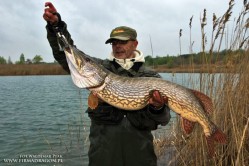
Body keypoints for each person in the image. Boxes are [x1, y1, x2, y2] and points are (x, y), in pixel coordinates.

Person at [43, 2, 171, 166]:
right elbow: (68, 53)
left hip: (140, 155)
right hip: (103, 154)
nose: (117, 46)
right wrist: (56, 26)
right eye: (114, 42)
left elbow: (165, 118)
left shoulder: (150, 77)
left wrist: (157, 107)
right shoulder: (100, 69)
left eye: (122, 42)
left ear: (135, 44)